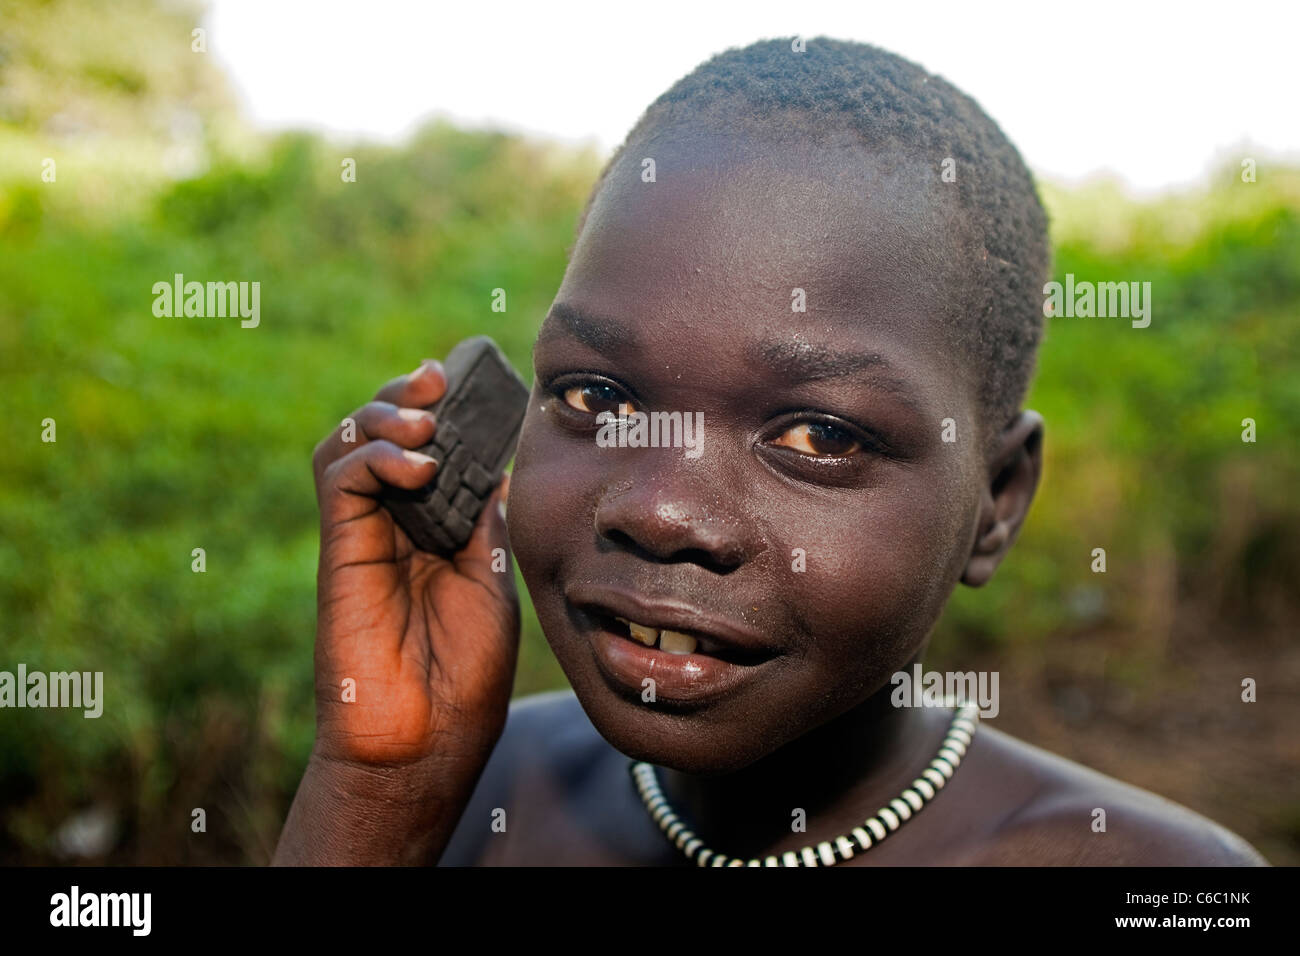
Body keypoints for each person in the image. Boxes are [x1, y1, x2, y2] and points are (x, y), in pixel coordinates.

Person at [274, 37, 1267, 866]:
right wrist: (379, 788)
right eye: (597, 395)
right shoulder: (474, 792)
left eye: (816, 435)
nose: (660, 509)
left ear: (995, 498)